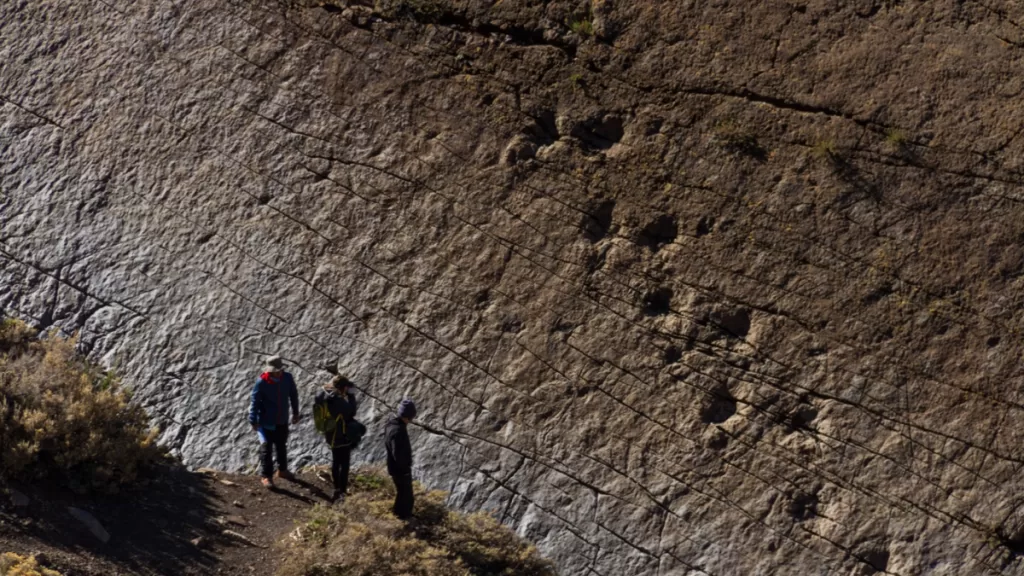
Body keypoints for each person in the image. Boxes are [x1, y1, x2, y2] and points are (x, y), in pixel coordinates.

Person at [248, 355, 301, 488]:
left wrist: (295, 412)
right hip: (266, 421)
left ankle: (282, 470)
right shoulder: (261, 382)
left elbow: (293, 395)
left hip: (282, 418)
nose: (277, 373)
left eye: (279, 371)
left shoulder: (287, 378)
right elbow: (255, 401)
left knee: (281, 445)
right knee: (266, 448)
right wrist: (253, 420)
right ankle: (266, 476)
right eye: (274, 371)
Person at [314, 375, 359, 502]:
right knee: (344, 464)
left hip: (329, 433)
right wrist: (351, 395)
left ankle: (336, 488)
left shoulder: (323, 393)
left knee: (335, 461)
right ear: (343, 387)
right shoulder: (337, 400)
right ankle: (341, 491)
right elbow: (351, 411)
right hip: (341, 435)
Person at [385, 399, 416, 519]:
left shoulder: (391, 424)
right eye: (411, 418)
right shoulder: (398, 431)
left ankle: (398, 515)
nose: (411, 420)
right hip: (399, 469)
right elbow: (398, 453)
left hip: (393, 466)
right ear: (406, 416)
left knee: (402, 493)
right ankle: (403, 518)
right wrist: (405, 469)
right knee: (406, 496)